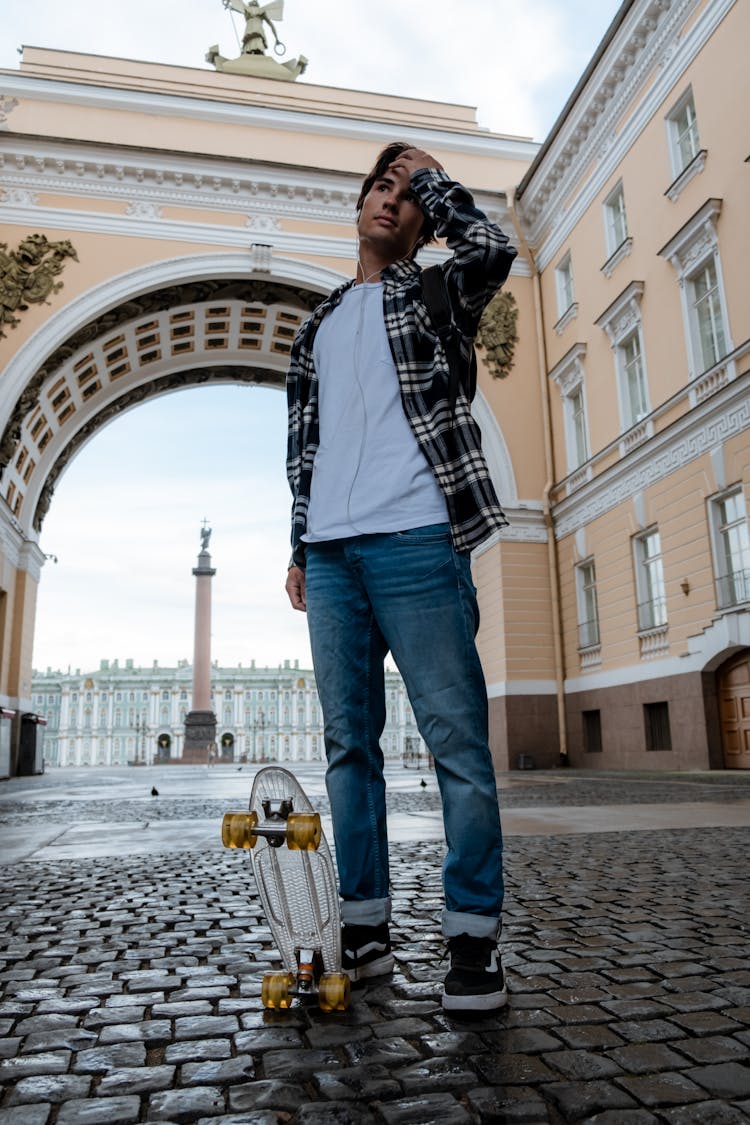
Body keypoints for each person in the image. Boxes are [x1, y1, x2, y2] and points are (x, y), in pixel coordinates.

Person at [285, 142, 516, 1012]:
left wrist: (433, 180)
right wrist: (301, 545)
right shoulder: (317, 324)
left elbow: (491, 249)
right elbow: (304, 448)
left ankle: (472, 941)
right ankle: (367, 924)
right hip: (335, 557)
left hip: (420, 538)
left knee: (455, 746)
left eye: (407, 193)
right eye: (382, 186)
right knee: (350, 749)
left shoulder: (435, 292)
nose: (392, 201)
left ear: (423, 217)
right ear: (359, 205)